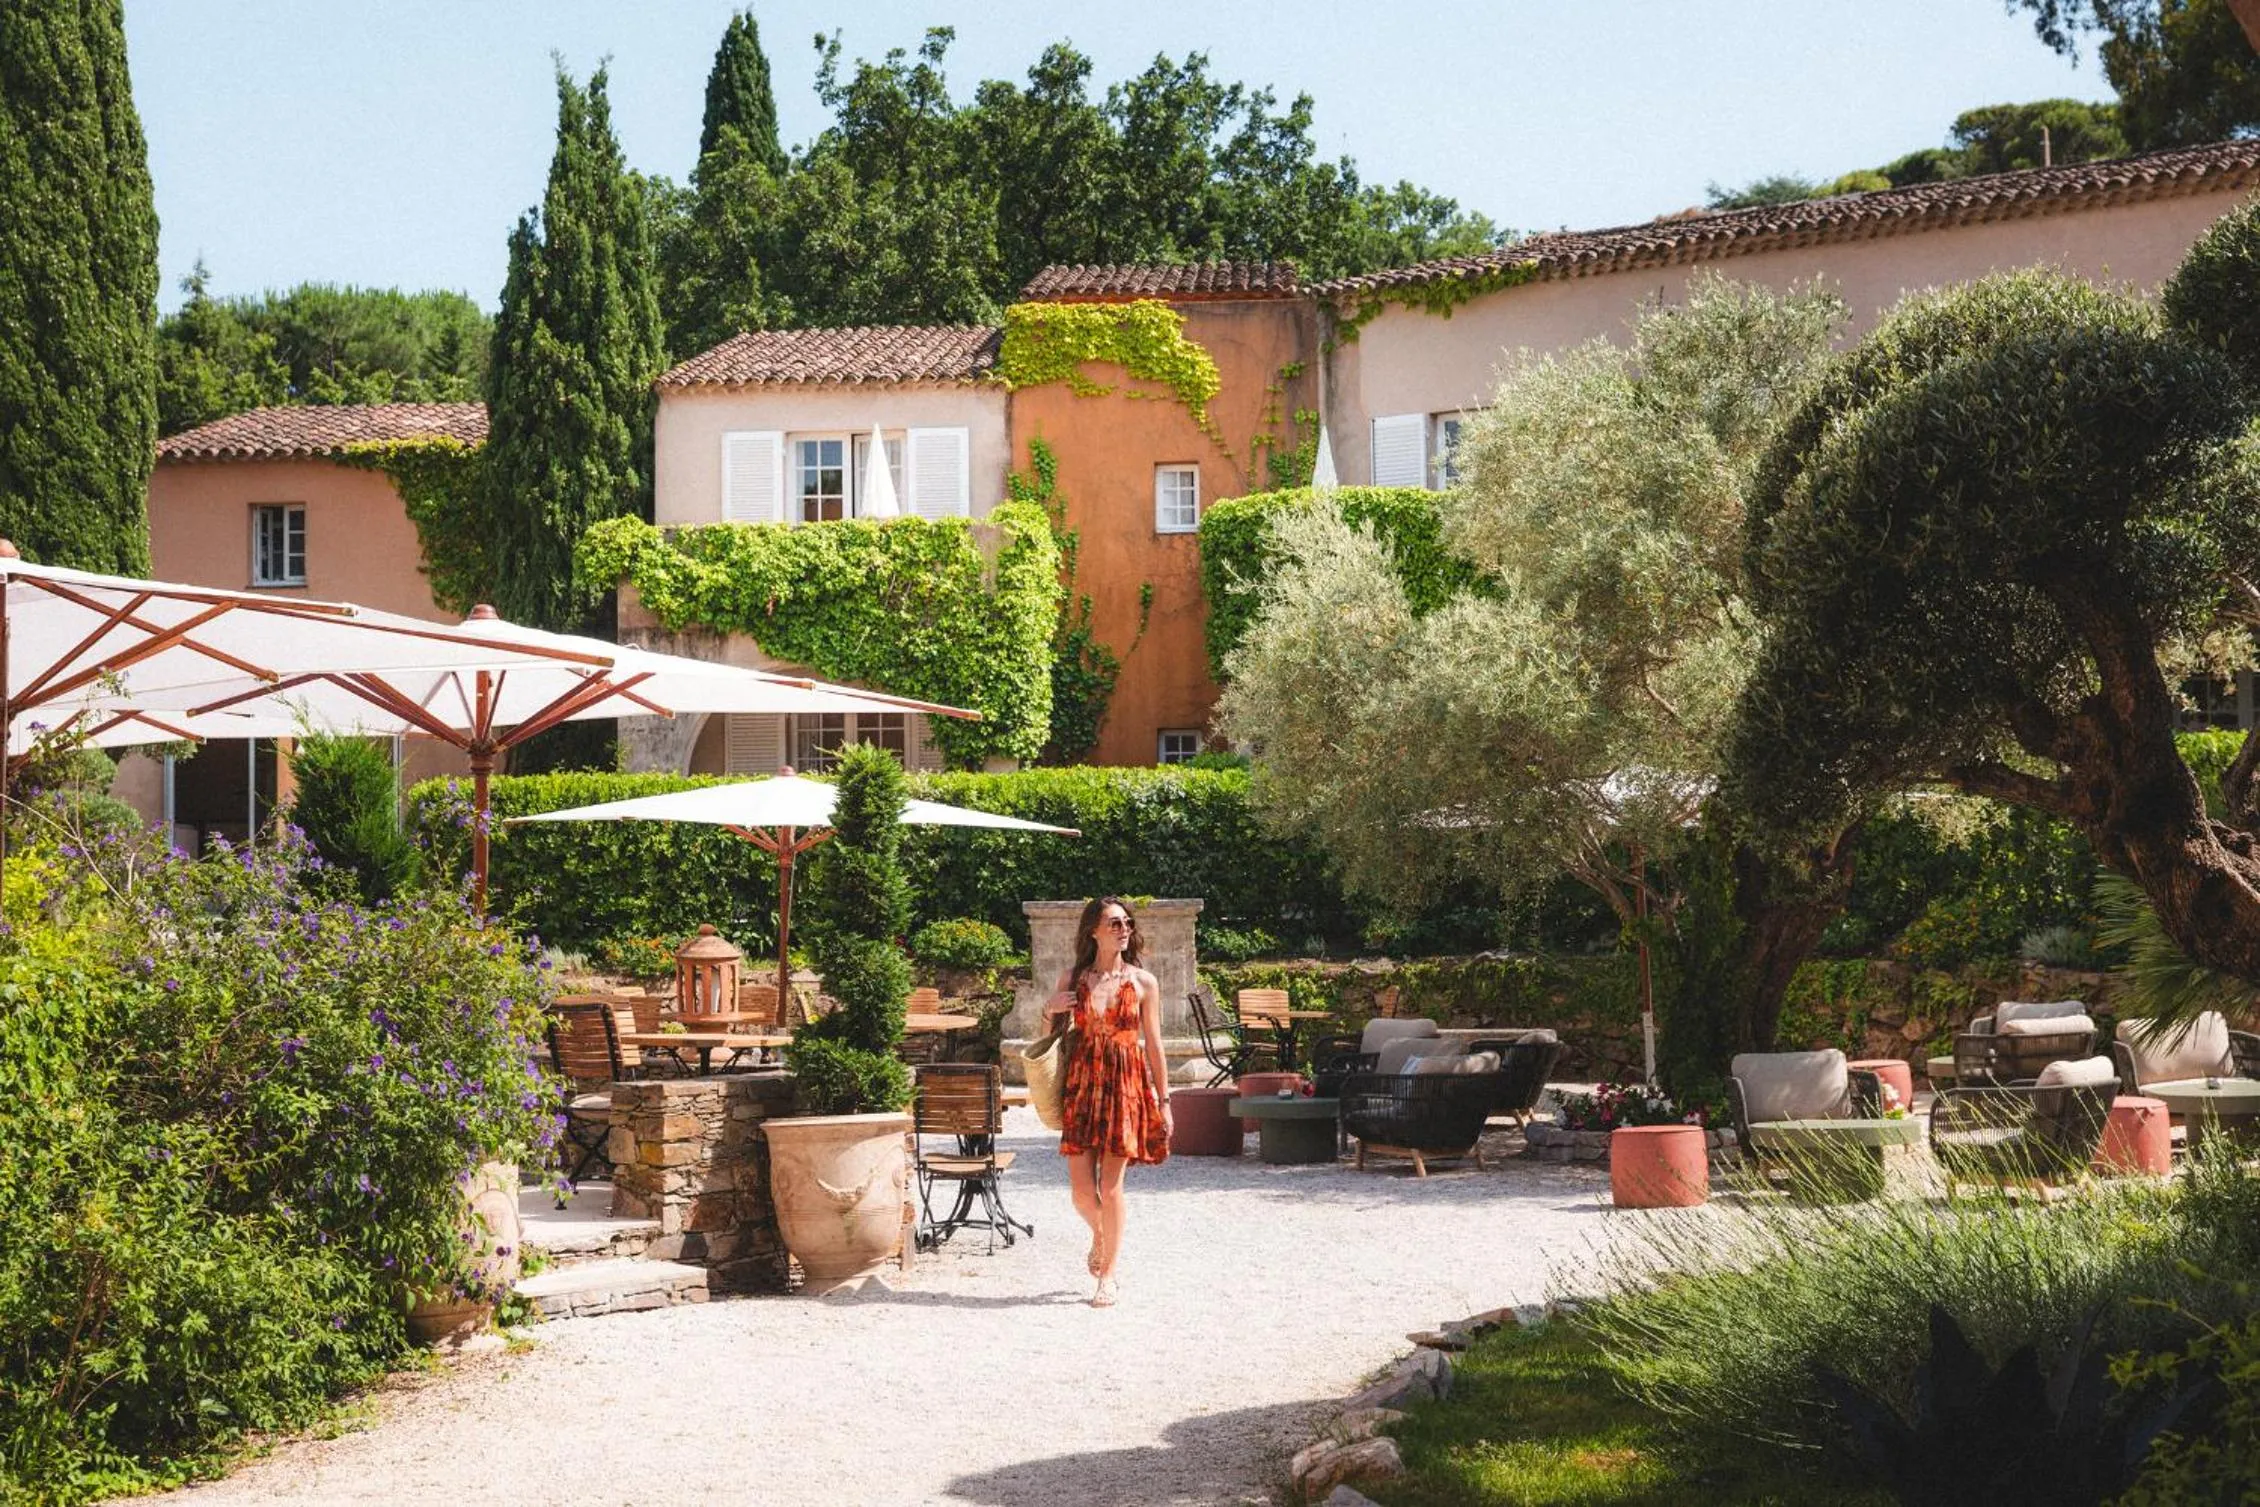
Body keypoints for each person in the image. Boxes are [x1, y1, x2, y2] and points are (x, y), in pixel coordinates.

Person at [1042, 895, 1170, 1307]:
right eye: (1114, 923)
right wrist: (1048, 1010)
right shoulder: (1072, 979)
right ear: (1093, 930)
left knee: (1110, 1187)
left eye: (1126, 922)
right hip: (1083, 1083)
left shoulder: (1142, 982)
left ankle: (1109, 1277)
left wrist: (1164, 1101)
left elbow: (1154, 1044)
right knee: (1081, 1193)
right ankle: (1101, 1234)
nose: (1123, 928)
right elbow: (1048, 1037)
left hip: (1126, 1083)